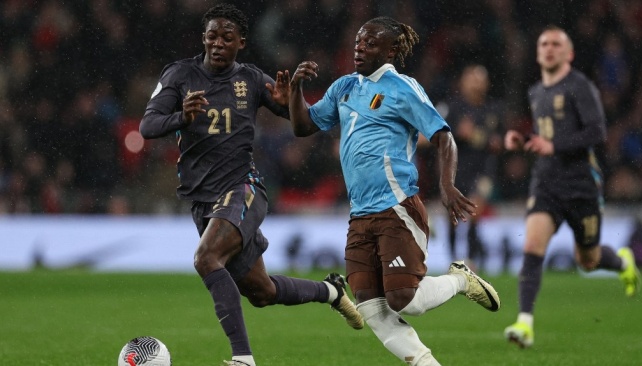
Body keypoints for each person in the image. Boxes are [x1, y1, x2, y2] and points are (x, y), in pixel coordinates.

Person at [139, 4, 363, 366]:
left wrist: (293, 95)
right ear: (203, 38)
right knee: (262, 291)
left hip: (244, 188)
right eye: (212, 35)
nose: (218, 43)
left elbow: (302, 122)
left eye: (227, 37)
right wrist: (183, 115)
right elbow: (147, 127)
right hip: (203, 200)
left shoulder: (253, 80)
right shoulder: (180, 75)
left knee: (206, 258)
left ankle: (243, 358)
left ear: (241, 42)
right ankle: (331, 291)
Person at [285, 16, 501, 366]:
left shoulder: (403, 87)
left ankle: (460, 280)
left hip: (396, 207)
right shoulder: (344, 87)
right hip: (360, 215)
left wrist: (446, 186)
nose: (360, 48)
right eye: (358, 41)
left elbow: (444, 136)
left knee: (404, 298)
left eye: (370, 43)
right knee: (370, 305)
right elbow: (303, 126)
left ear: (392, 50)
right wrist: (295, 89)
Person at [503, 26, 641, 349]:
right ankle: (525, 323)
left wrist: (555, 146)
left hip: (581, 186)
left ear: (569, 54)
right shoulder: (536, 91)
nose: (549, 49)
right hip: (547, 182)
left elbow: (597, 133)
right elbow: (545, 138)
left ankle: (623, 262)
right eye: (544, 44)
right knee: (532, 246)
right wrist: (522, 141)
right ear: (538, 52)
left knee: (588, 260)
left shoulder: (580, 87)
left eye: (556, 44)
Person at [440, 64, 506, 270]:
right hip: (456, 170)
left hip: (484, 171)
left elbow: (499, 143)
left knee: (474, 212)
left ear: (487, 84)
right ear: (462, 82)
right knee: (452, 216)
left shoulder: (494, 110)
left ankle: (470, 261)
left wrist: (475, 135)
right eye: (471, 79)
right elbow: (437, 135)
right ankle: (452, 260)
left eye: (479, 79)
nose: (475, 84)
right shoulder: (452, 108)